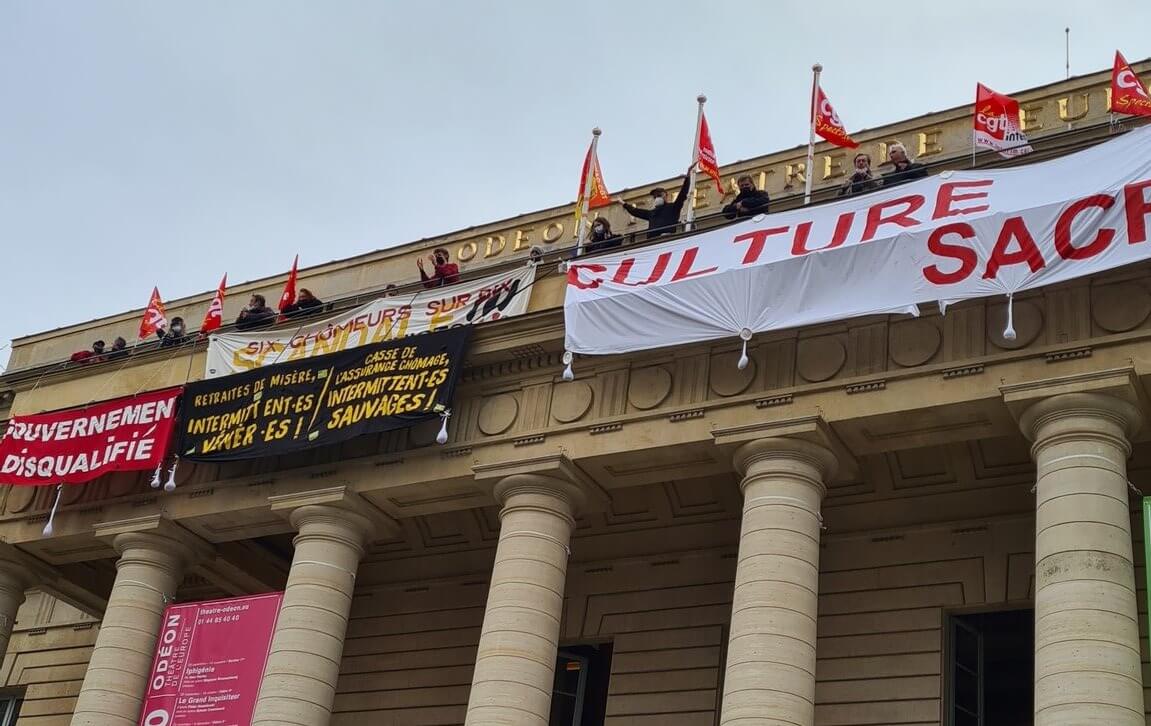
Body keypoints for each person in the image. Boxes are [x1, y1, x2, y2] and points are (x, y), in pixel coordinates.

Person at [618, 166, 693, 239]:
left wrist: (688, 176)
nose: (657, 198)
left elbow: (682, 194)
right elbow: (635, 211)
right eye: (655, 196)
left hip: (668, 239)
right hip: (653, 241)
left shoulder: (673, 207)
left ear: (665, 196)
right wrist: (623, 203)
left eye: (659, 195)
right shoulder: (651, 213)